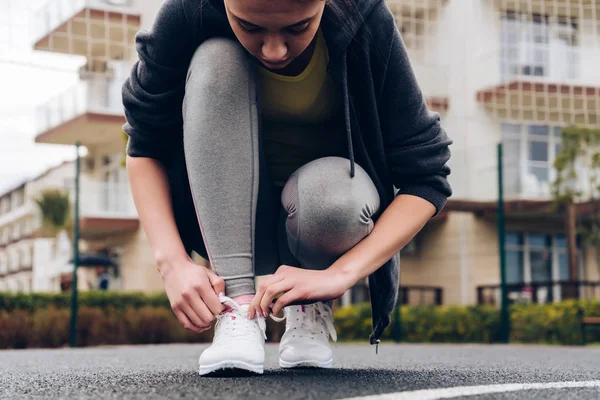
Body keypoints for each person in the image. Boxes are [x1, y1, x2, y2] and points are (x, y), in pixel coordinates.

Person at [122, 0, 452, 376]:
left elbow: (427, 177)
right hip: (223, 226)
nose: (274, 51)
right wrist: (172, 263)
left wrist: (338, 275)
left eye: (298, 28)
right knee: (217, 57)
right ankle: (239, 308)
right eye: (249, 26)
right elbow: (143, 145)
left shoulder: (364, 20)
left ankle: (308, 307)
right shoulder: (187, 13)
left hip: (319, 226)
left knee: (335, 195)